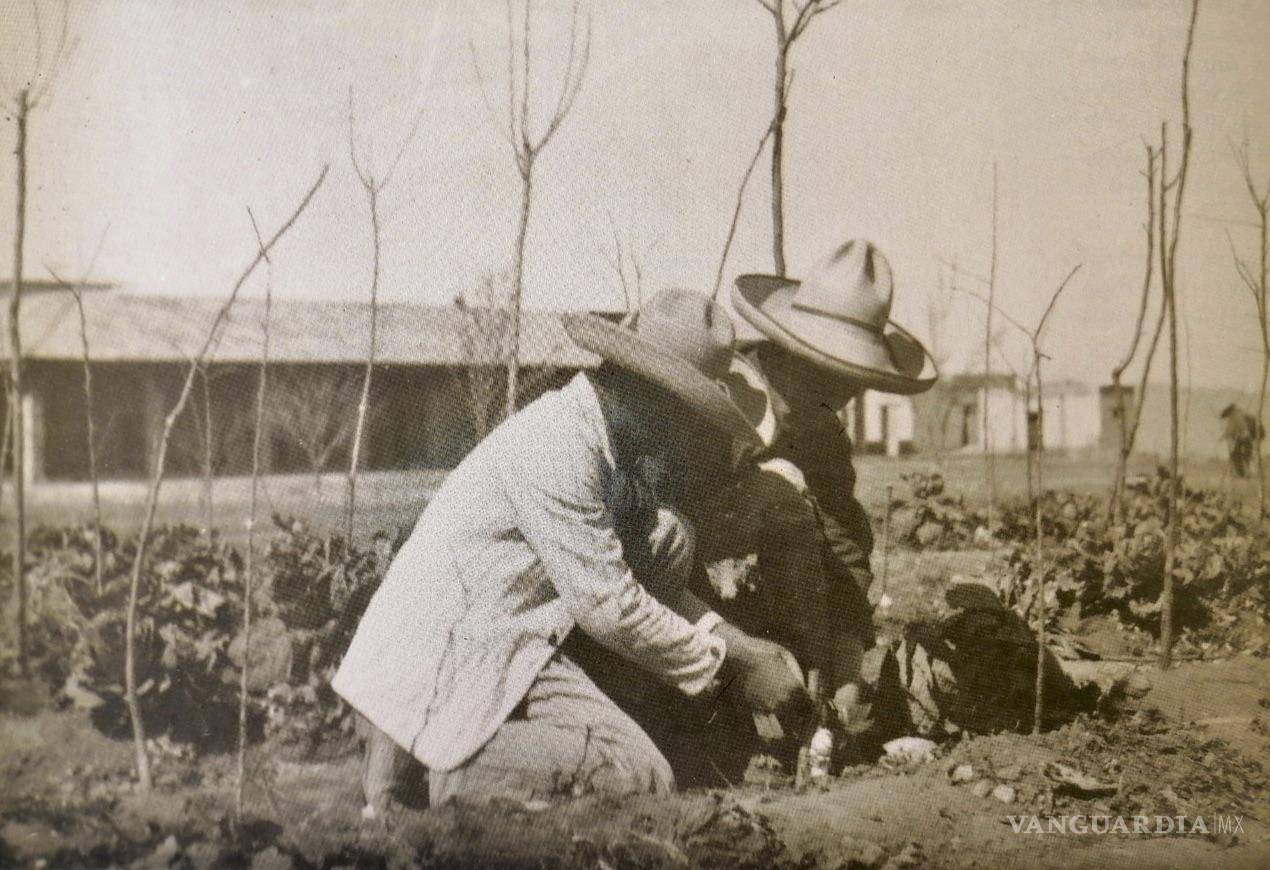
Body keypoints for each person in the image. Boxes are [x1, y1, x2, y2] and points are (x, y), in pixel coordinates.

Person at [332, 288, 812, 814]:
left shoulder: (609, 450)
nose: (686, 432)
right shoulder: (559, 446)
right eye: (686, 414)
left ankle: (461, 762)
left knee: (670, 539)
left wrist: (746, 649)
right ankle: (445, 778)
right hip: (448, 654)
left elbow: (644, 586)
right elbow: (609, 609)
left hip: (515, 642)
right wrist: (734, 667)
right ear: (652, 397)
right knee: (639, 775)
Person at [722, 239, 936, 724]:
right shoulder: (727, 397)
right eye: (832, 374)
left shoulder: (822, 434)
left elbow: (844, 542)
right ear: (794, 353)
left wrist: (844, 654)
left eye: (855, 379)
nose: (845, 393)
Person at [1220, 403, 1263, 479]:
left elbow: (1232, 430)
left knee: (1237, 455)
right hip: (1247, 438)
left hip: (1246, 438)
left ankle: (1243, 474)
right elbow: (1233, 430)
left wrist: (1225, 436)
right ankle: (1244, 473)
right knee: (1243, 456)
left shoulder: (1236, 416)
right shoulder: (1241, 414)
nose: (1228, 417)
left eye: (1227, 415)